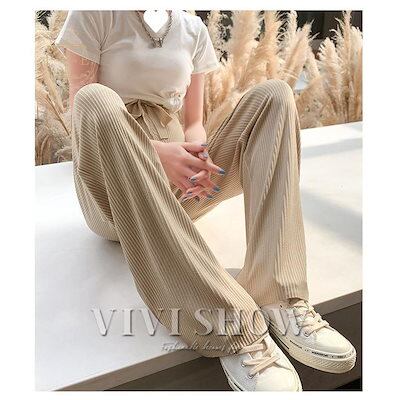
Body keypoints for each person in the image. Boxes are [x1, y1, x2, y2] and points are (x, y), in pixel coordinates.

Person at [54, 10, 356, 391]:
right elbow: (81, 113)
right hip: (113, 188)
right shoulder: (95, 15)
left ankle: (279, 293)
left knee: (276, 96)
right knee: (96, 98)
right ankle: (230, 325)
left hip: (176, 187)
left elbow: (193, 122)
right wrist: (155, 155)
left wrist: (199, 158)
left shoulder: (191, 28)